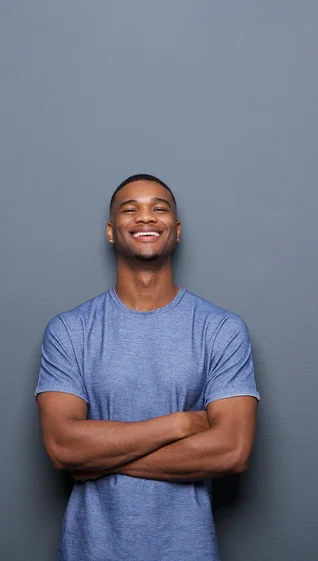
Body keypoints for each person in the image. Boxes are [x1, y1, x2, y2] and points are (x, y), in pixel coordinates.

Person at [35, 174, 260, 561]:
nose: (146, 218)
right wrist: (180, 425)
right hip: (90, 551)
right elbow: (62, 447)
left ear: (176, 230)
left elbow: (231, 451)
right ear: (110, 231)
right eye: (130, 209)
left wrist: (97, 462)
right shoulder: (70, 330)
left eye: (159, 208)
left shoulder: (221, 329)